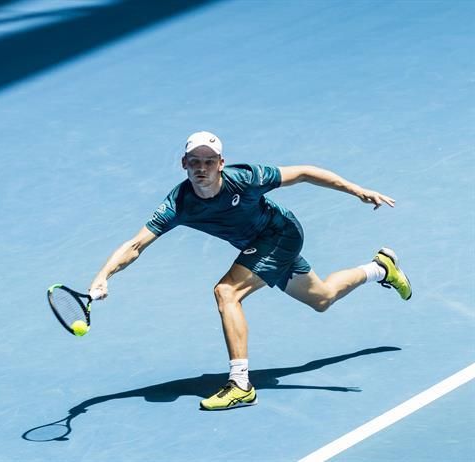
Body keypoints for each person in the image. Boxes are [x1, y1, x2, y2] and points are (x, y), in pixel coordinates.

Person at [87, 131, 412, 411]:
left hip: (280, 234)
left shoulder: (246, 178)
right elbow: (135, 245)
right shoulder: (178, 204)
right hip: (256, 246)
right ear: (184, 164)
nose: (202, 168)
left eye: (209, 161)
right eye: (195, 161)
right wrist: (103, 276)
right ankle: (380, 268)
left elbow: (302, 173)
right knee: (322, 298)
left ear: (221, 164)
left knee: (226, 291)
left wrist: (356, 190)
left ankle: (240, 384)